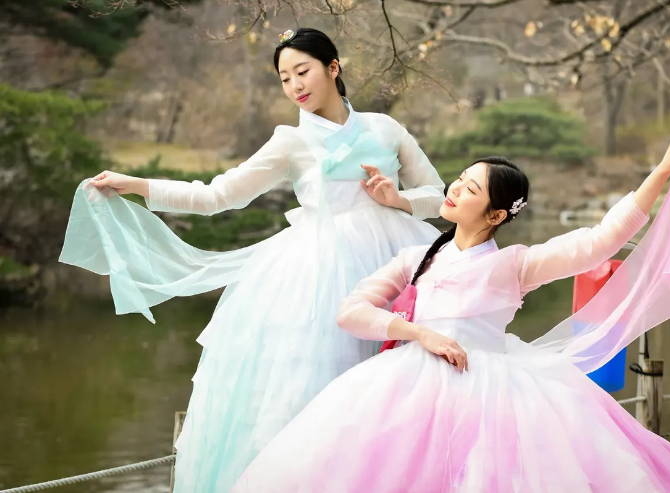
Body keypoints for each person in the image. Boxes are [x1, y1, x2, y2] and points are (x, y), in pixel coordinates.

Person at [231, 140, 670, 493]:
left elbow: (600, 242)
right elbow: (350, 313)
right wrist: (417, 331)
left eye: (469, 189)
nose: (453, 190)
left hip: (492, 388)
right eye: (458, 181)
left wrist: (660, 174)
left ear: (496, 214)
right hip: (405, 383)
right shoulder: (415, 257)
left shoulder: (516, 266)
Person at [59, 28, 445, 492]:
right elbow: (217, 195)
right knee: (316, 384)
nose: (295, 86)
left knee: (403, 382)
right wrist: (138, 185)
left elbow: (437, 195)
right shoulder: (290, 141)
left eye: (302, 71)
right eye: (284, 78)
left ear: (333, 67)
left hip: (397, 260)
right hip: (320, 274)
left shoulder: (386, 128)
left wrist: (396, 198)